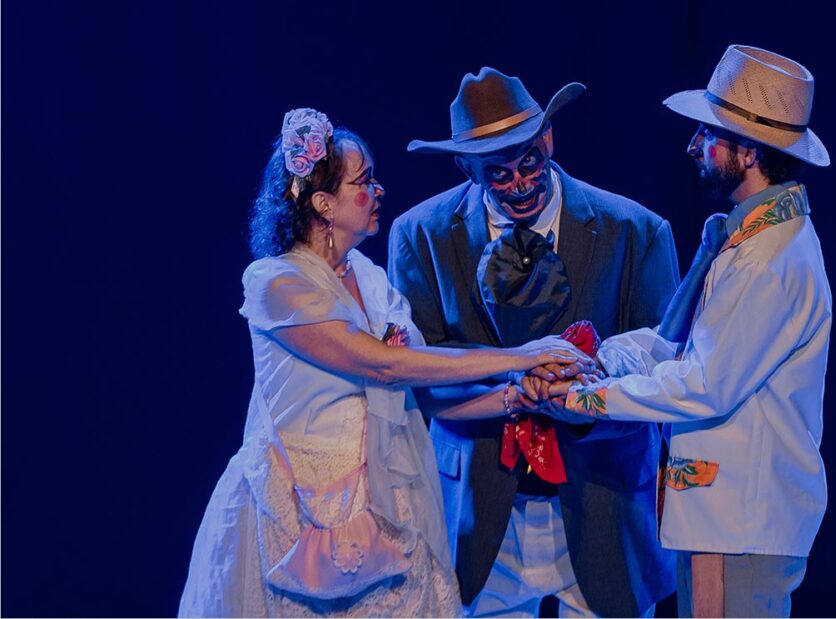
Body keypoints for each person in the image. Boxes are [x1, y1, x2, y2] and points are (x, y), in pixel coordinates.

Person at [178, 108, 588, 618]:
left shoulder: (370, 280)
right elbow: (384, 366)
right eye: (363, 182)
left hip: (384, 504)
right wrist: (518, 356)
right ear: (324, 204)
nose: (378, 191)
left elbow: (419, 389)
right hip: (298, 509)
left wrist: (515, 393)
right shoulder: (277, 284)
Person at [538, 45, 833, 618]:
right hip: (719, 518)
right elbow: (682, 344)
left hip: (737, 523)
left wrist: (584, 396)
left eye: (708, 134)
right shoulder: (749, 238)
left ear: (747, 152)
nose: (694, 146)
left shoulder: (770, 257)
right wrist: (601, 358)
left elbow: (706, 384)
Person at [389, 68, 678, 617]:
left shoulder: (635, 231)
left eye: (529, 164)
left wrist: (583, 391)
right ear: (464, 167)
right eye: (498, 174)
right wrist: (513, 386)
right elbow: (417, 369)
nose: (520, 185)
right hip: (480, 511)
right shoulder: (421, 235)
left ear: (548, 139)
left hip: (603, 499)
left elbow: (665, 367)